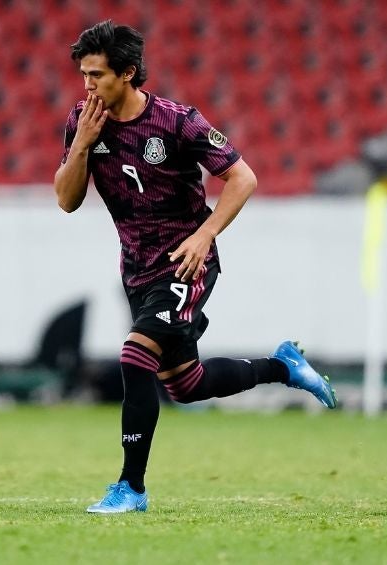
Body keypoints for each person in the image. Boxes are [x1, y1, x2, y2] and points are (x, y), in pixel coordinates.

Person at [53, 20, 337, 514]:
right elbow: (66, 200)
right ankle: (283, 366)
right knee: (185, 384)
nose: (87, 85)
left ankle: (131, 488)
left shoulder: (176, 121)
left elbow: (242, 178)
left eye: (97, 75)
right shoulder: (82, 120)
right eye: (83, 75)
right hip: (137, 270)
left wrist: (205, 235)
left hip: (186, 264)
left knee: (134, 357)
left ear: (128, 73)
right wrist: (81, 145)